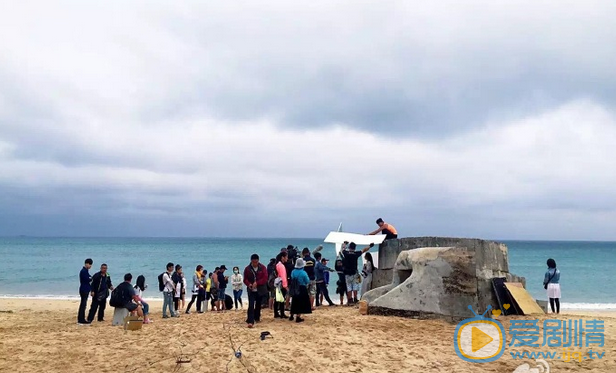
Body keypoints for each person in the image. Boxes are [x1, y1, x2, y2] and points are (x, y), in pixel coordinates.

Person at [243, 254, 268, 328]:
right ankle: (250, 321)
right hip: (251, 290)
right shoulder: (247, 269)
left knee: (258, 304)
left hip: (260, 289)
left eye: (256, 262)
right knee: (251, 305)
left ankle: (257, 317)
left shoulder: (262, 268)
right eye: (253, 262)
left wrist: (257, 283)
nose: (255, 264)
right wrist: (249, 284)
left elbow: (265, 278)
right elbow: (245, 279)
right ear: (251, 261)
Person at [289, 258, 311, 323]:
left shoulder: (293, 271)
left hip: (294, 287)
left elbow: (292, 278)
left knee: (294, 301)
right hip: (302, 288)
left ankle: (291, 315)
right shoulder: (303, 273)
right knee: (300, 303)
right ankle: (298, 317)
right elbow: (307, 281)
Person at [78, 258, 93, 325]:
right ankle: (81, 319)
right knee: (83, 304)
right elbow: (87, 279)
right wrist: (91, 278)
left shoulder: (86, 271)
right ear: (86, 264)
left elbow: (89, 277)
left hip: (85, 289)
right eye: (89, 264)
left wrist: (91, 278)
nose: (90, 266)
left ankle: (81, 318)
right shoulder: (83, 271)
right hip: (84, 289)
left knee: (84, 304)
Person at [274, 252, 288, 319]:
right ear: (283, 257)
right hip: (281, 284)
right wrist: (285, 286)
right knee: (282, 300)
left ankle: (276, 313)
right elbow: (283, 277)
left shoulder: (277, 264)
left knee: (277, 299)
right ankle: (282, 313)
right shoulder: (281, 266)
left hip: (277, 284)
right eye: (286, 257)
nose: (287, 258)